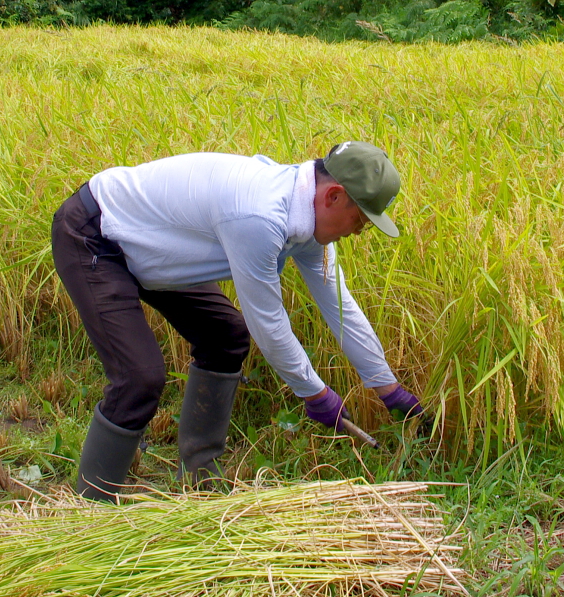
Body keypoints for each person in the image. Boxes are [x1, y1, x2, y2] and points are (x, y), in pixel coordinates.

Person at [50, 141, 424, 501]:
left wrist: (388, 387)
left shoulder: (309, 220)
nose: (357, 232)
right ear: (333, 196)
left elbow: (340, 307)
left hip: (157, 251)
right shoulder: (259, 216)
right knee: (140, 377)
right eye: (360, 221)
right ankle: (92, 505)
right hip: (97, 235)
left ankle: (198, 477)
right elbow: (269, 323)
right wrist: (314, 393)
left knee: (225, 335)